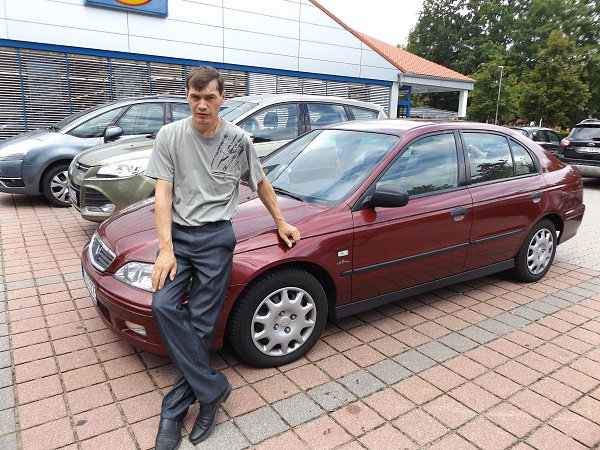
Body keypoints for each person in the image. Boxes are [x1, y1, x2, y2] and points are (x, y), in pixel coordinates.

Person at [145, 66, 300, 450]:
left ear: (221, 99)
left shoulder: (237, 140)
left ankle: (173, 411)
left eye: (209, 97)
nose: (201, 105)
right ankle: (212, 387)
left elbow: (260, 181)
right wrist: (165, 248)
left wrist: (281, 221)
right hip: (180, 237)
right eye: (194, 97)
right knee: (163, 305)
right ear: (187, 97)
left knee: (201, 323)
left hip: (216, 238)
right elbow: (162, 194)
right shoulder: (170, 135)